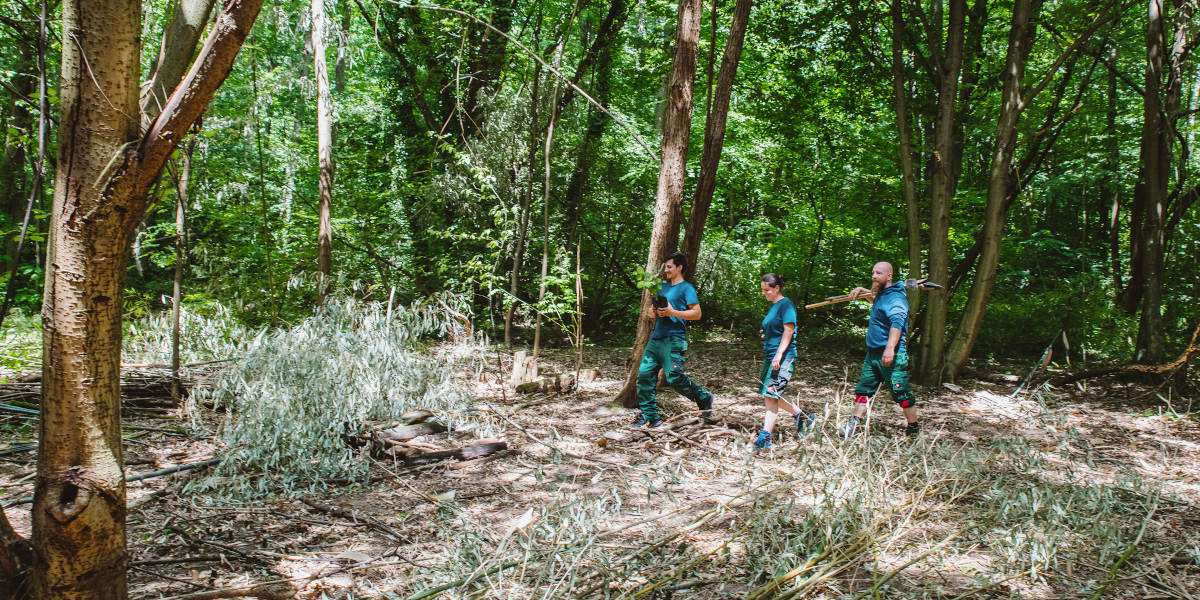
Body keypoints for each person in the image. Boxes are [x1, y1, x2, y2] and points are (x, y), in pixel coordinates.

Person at [633, 252, 715, 428]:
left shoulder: (687, 288)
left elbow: (697, 314)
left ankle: (703, 397)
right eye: (665, 267)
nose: (666, 270)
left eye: (669, 267)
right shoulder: (661, 287)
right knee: (644, 376)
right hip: (655, 339)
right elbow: (648, 312)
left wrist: (672, 312)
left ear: (679, 267)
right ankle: (650, 417)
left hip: (674, 339)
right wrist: (656, 312)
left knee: (674, 378)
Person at [839, 262, 919, 437]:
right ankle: (853, 426)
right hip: (873, 353)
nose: (874, 276)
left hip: (892, 354)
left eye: (879, 273)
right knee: (864, 388)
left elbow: (896, 324)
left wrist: (890, 349)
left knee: (900, 391)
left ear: (889, 276)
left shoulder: (896, 298)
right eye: (873, 272)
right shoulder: (883, 295)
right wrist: (862, 290)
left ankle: (913, 427)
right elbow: (880, 306)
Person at [752, 274, 814, 452]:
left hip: (783, 356)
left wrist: (779, 354)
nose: (764, 293)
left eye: (767, 290)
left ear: (777, 288)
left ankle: (765, 437)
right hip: (771, 355)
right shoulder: (774, 306)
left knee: (771, 394)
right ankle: (802, 416)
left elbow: (789, 331)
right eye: (763, 290)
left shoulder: (786, 304)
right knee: (769, 393)